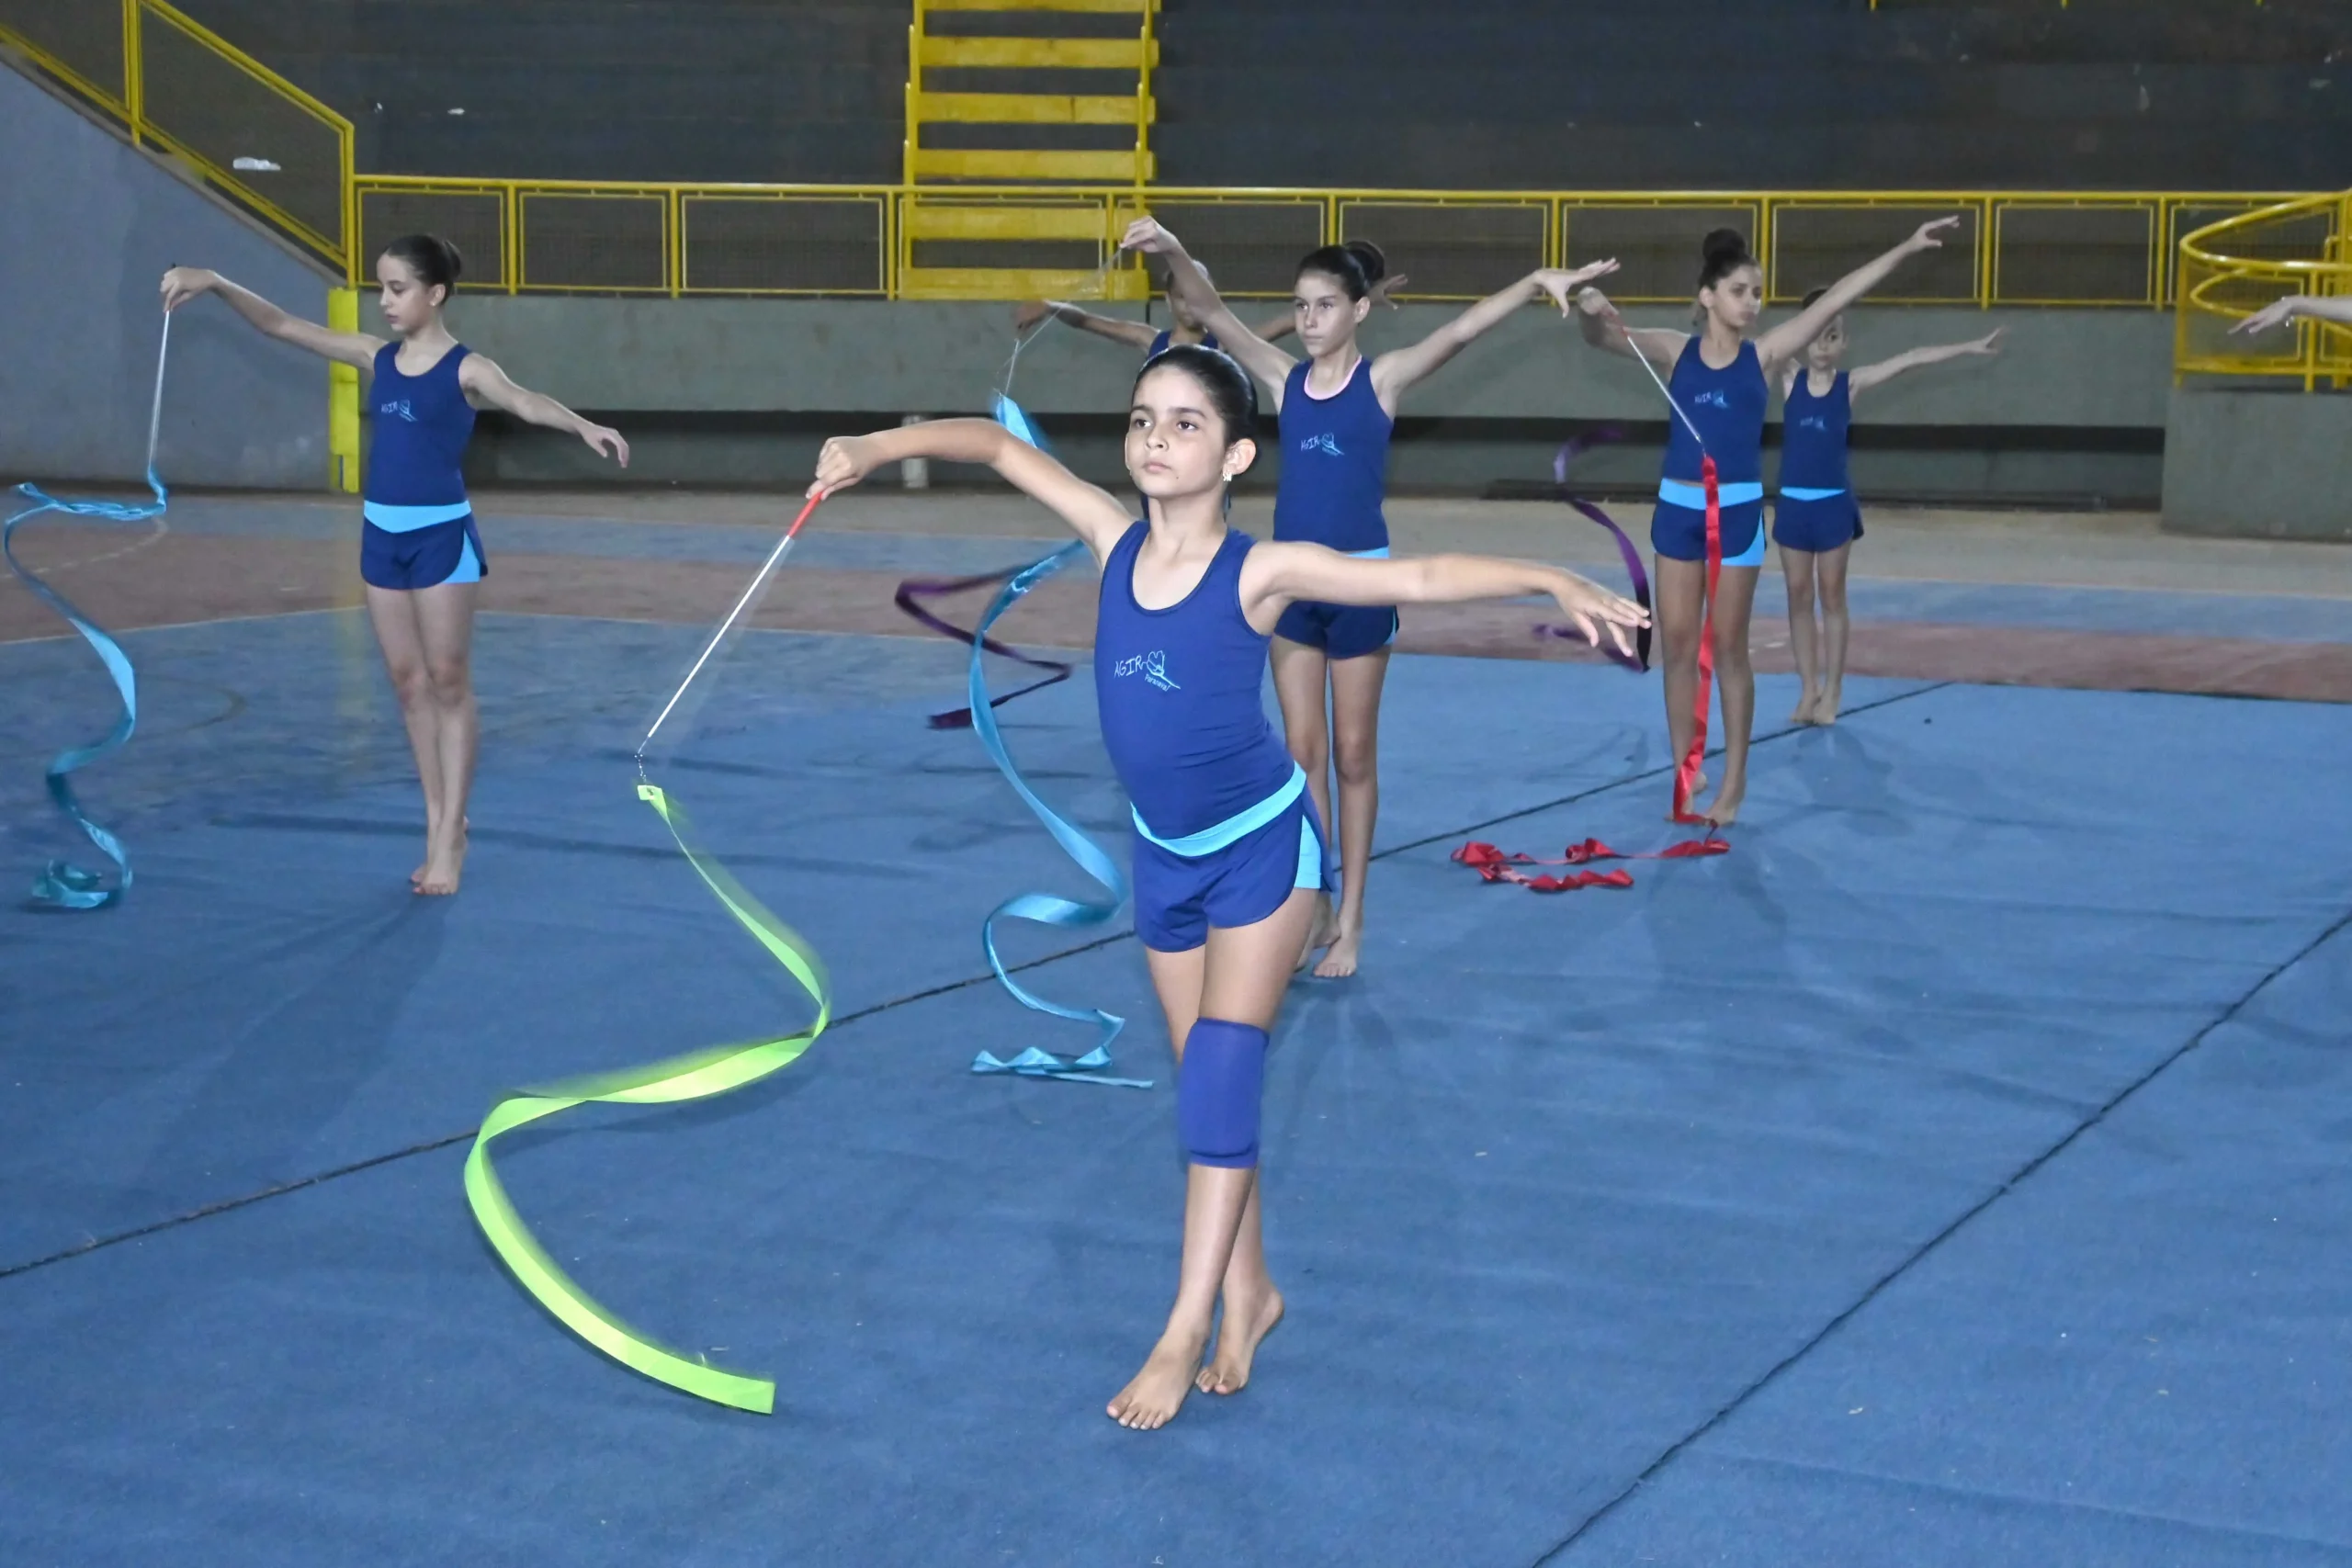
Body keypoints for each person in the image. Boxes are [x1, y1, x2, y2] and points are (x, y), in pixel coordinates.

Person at [808, 344, 1645, 1431]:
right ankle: (1251, 1291)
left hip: (1259, 851)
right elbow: (995, 446)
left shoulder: (1259, 571)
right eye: (1142, 418)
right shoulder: (1109, 539)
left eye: (1185, 423)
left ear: (1237, 455)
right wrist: (874, 446)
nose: (1155, 438)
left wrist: (1549, 576)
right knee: (1207, 1090)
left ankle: (1181, 1327)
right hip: (1163, 854)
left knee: (1217, 1078)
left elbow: (1417, 578)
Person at [1119, 215, 1621, 976]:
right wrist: (1176, 248)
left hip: (1359, 585)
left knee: (1353, 754)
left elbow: (1460, 332)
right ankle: (1312, 900)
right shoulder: (1284, 380)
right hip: (1293, 588)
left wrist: (1531, 283)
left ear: (1359, 309)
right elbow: (1212, 310)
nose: (1310, 320)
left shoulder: (1379, 382)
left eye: (1325, 306)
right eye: (1301, 306)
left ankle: (1352, 915)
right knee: (1302, 754)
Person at [160, 236, 628, 894]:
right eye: (381, 287)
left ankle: (451, 833)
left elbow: (524, 400)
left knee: (447, 681)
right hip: (381, 536)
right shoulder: (375, 357)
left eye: (398, 289)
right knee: (408, 685)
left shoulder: (467, 369)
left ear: (435, 294)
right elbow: (281, 325)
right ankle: (438, 821)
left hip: (441, 538)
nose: (384, 301)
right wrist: (214, 278)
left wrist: (582, 425)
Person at [1569, 218, 1959, 823]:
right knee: (1677, 647)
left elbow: (1839, 295)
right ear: (1708, 297)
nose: (1752, 302)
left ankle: (1735, 782)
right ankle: (1686, 771)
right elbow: (1602, 338)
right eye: (1740, 291)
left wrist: (1906, 247)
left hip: (1738, 513)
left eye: (1757, 293)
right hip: (1678, 512)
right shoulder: (1674, 350)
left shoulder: (1766, 355)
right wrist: (1590, 307)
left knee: (1729, 649)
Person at [1774, 299, 2004, 724]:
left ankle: (1833, 691)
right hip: (1792, 505)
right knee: (1798, 595)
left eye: (1832, 336)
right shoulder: (1789, 378)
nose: (1822, 346)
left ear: (1844, 343)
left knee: (1831, 595)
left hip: (1832, 506)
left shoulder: (1850, 385)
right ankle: (1808, 690)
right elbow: (1747, 342)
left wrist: (1968, 346)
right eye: (1816, 336)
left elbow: (1911, 359)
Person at [1012, 257, 1407, 359]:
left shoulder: (1224, 345)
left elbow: (1292, 320)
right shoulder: (1150, 340)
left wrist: (1365, 299)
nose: (1192, 306)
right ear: (1168, 300)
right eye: (1183, 296)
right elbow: (1087, 320)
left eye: (1200, 297)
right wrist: (1050, 306)